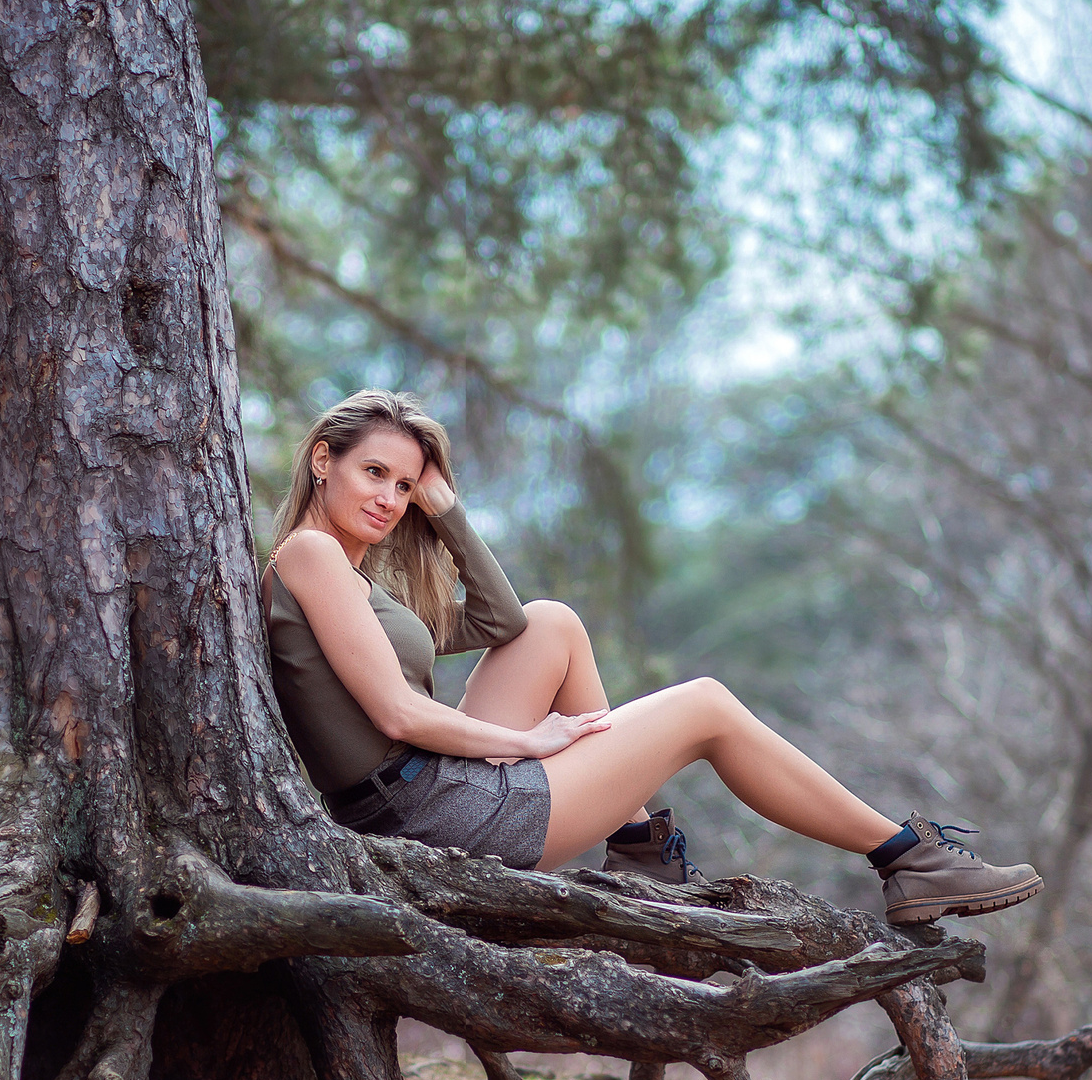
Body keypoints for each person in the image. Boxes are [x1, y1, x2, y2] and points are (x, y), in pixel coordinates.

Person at [260, 390, 1041, 923]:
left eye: (404, 485)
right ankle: (904, 858)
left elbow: (503, 619)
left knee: (552, 622)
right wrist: (528, 742)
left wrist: (449, 511)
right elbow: (397, 711)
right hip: (427, 812)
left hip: (424, 795)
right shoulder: (312, 556)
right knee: (702, 705)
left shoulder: (360, 578)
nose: (390, 500)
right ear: (323, 460)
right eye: (375, 474)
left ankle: (640, 853)